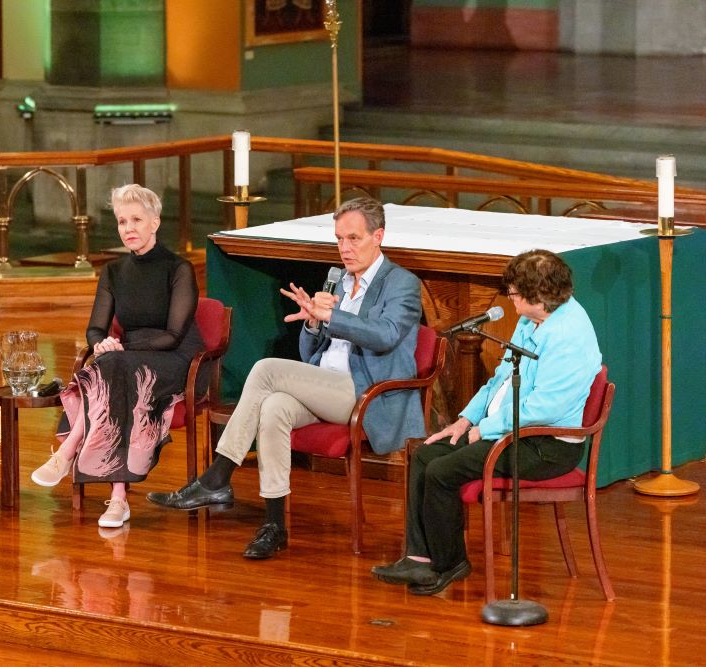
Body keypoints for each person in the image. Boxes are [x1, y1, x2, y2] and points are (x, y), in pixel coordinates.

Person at [148, 197, 425, 559]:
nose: (345, 248)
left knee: (267, 369)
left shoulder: (401, 283)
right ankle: (275, 525)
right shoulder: (339, 280)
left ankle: (217, 476)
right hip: (327, 384)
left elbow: (386, 335)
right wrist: (312, 323)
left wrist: (331, 318)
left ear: (379, 236)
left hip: (367, 393)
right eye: (339, 239)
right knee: (275, 407)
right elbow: (315, 351)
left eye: (354, 239)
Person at [373, 249, 601, 596]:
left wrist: (489, 428)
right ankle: (419, 559)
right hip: (510, 430)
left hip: (546, 445)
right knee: (425, 455)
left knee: (442, 471)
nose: (509, 299)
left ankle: (449, 564)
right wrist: (465, 420)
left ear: (537, 295)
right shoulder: (532, 319)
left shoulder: (569, 337)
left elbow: (544, 409)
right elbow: (499, 379)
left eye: (513, 292)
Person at [30, 184, 204, 530]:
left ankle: (67, 453)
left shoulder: (178, 268)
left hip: (174, 358)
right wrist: (103, 345)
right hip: (126, 360)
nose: (129, 229)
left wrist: (119, 350)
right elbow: (94, 329)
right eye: (123, 221)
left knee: (113, 370)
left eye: (137, 219)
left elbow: (172, 335)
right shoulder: (113, 271)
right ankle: (118, 499)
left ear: (155, 222)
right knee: (110, 372)